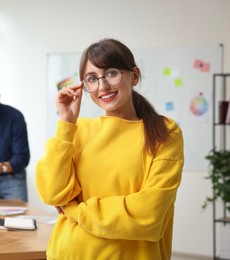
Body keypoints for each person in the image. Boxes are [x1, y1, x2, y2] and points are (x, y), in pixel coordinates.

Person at [36, 38, 184, 259]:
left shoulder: (164, 132)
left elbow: (148, 216)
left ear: (134, 75)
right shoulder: (77, 129)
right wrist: (66, 122)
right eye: (92, 79)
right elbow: (52, 193)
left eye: (112, 73)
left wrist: (75, 210)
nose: (102, 86)